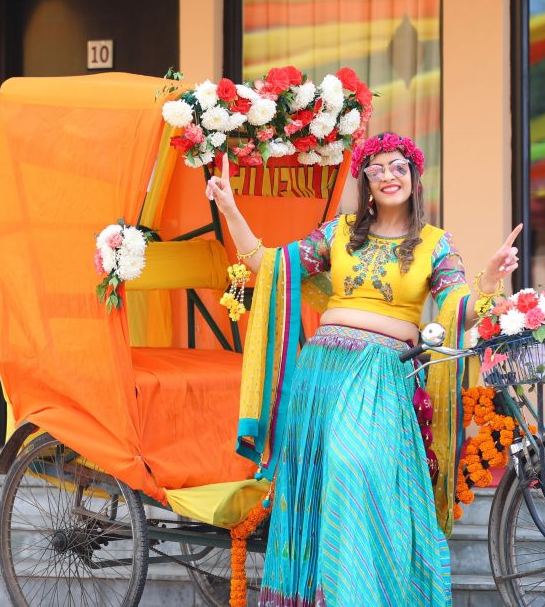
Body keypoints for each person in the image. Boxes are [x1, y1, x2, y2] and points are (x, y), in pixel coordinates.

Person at [205, 133, 521, 606]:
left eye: (399, 167)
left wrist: (492, 280)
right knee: (321, 484)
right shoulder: (338, 232)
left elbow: (459, 307)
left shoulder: (436, 245)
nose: (388, 177)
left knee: (356, 467)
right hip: (321, 374)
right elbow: (270, 266)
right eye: (377, 170)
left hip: (380, 375)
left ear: (415, 179)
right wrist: (230, 210)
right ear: (365, 182)